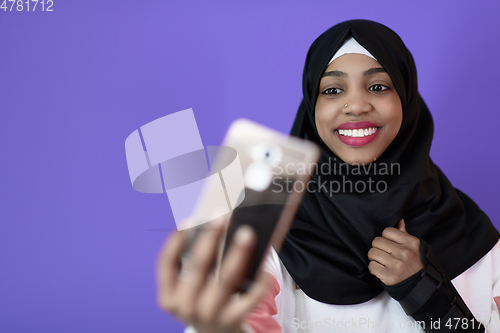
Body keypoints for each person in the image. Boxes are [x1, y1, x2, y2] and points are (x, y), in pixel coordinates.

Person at [156, 19, 500, 333]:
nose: (356, 105)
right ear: (311, 105)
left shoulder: (470, 234)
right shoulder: (271, 223)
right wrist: (218, 324)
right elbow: (241, 317)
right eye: (332, 90)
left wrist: (427, 293)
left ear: (406, 100)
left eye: (379, 86)